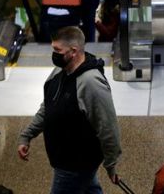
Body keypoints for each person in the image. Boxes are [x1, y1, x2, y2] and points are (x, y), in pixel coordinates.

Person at [17, 26, 122, 192]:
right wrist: (27, 135)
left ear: (73, 51)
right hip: (65, 159)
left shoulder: (90, 83)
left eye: (57, 50)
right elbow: (48, 107)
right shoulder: (59, 71)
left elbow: (108, 126)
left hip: (74, 164)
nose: (54, 54)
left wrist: (111, 165)